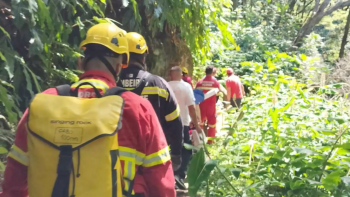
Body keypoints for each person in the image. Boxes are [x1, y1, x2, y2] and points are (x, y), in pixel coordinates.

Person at [1, 23, 175, 197]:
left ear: (81, 62)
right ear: (118, 66)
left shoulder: (44, 102)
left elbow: (14, 181)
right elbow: (161, 183)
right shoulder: (137, 108)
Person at [117, 32, 183, 171]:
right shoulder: (159, 84)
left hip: (114, 162)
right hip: (151, 161)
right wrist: (176, 154)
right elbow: (175, 123)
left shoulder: (111, 83)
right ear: (144, 56)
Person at [168, 66, 203, 190]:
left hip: (166, 125)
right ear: (181, 75)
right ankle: (180, 175)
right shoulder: (186, 87)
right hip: (182, 124)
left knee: (168, 150)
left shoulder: (164, 85)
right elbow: (191, 108)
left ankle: (169, 176)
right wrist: (197, 125)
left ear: (170, 75)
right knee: (186, 151)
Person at [195, 65, 225, 144]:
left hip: (201, 106)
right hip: (211, 106)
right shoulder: (215, 82)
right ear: (212, 72)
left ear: (205, 72)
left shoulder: (200, 82)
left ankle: (200, 140)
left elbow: (196, 93)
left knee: (200, 122)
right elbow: (218, 92)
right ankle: (210, 141)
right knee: (212, 123)